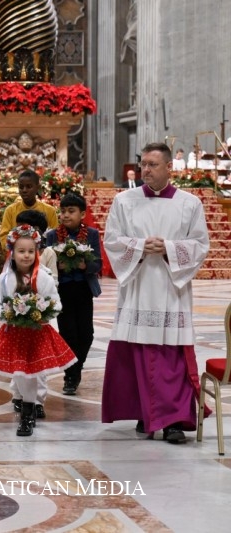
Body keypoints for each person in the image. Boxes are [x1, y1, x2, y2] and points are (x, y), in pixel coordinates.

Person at [102, 142, 210, 444]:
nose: (145, 170)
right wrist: (138, 247)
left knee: (171, 356)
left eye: (152, 164)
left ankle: (174, 421)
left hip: (170, 290)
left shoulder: (190, 204)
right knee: (137, 352)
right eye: (143, 164)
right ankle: (144, 413)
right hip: (137, 288)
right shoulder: (125, 201)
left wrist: (170, 249)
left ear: (168, 168)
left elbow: (201, 245)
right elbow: (112, 240)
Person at [0, 225, 75, 436]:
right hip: (14, 335)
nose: (26, 256)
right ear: (12, 253)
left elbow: (56, 303)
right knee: (20, 374)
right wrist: (6, 314)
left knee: (33, 374)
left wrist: (41, 313)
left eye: (30, 251)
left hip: (37, 335)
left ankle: (28, 413)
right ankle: (26, 406)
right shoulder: (5, 279)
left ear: (37, 252)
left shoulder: (43, 277)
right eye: (21, 251)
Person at [45, 192, 102, 396]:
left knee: (87, 334)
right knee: (68, 334)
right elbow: (45, 266)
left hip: (83, 289)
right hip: (63, 291)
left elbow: (98, 264)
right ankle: (71, 376)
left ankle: (76, 367)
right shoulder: (52, 236)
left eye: (71, 211)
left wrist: (84, 264)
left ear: (82, 214)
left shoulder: (92, 234)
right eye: (63, 211)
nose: (66, 215)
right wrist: (57, 266)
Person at [7, 209, 57, 419]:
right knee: (17, 360)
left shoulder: (48, 255)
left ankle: (38, 401)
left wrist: (42, 308)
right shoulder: (13, 260)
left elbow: (54, 285)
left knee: (39, 362)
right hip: (17, 320)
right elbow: (4, 290)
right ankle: (18, 394)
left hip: (41, 319)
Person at [0, 169, 58, 249]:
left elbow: (54, 236)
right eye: (21, 187)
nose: (24, 190)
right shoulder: (10, 210)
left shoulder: (50, 210)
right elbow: (4, 237)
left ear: (38, 187)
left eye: (29, 186)